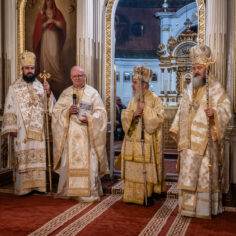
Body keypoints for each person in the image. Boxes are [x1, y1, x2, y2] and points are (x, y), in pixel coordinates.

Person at [169, 45, 232, 219]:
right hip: (188, 143)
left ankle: (204, 209)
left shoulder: (215, 88)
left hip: (205, 144)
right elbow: (182, 109)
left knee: (203, 175)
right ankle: (188, 208)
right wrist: (178, 131)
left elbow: (226, 108)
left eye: (200, 68)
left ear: (207, 68)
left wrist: (215, 113)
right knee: (188, 175)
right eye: (194, 68)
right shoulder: (189, 89)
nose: (196, 71)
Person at [52, 66, 109, 202]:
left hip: (87, 134)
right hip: (70, 135)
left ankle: (87, 192)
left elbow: (101, 114)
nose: (77, 78)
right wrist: (67, 112)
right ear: (71, 78)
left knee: (89, 163)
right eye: (75, 76)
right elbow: (55, 113)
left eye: (80, 75)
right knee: (68, 162)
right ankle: (68, 191)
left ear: (85, 76)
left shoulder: (92, 93)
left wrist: (90, 119)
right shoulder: (66, 93)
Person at [1, 51, 55, 196]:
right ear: (22, 70)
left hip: (38, 131)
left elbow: (49, 107)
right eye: (27, 68)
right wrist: (11, 127)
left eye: (31, 68)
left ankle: (39, 186)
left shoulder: (40, 86)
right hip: (21, 130)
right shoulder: (14, 88)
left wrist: (49, 93)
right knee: (23, 157)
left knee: (38, 155)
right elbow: (9, 108)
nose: (29, 71)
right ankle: (23, 188)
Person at [120, 65, 165, 206]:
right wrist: (133, 114)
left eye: (135, 82)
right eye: (132, 82)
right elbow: (125, 116)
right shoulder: (133, 100)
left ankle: (147, 195)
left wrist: (145, 109)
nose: (132, 85)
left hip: (146, 141)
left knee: (145, 168)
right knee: (133, 166)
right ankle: (130, 196)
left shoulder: (155, 99)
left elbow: (158, 119)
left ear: (144, 85)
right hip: (132, 140)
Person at [33, 0, 67, 97]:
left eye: (50, 1)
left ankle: (55, 74)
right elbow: (38, 27)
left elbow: (62, 25)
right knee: (45, 55)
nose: (48, 3)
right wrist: (46, 23)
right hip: (45, 37)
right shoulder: (41, 13)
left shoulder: (57, 12)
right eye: (47, 1)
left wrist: (54, 22)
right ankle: (45, 74)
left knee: (54, 55)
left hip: (53, 36)